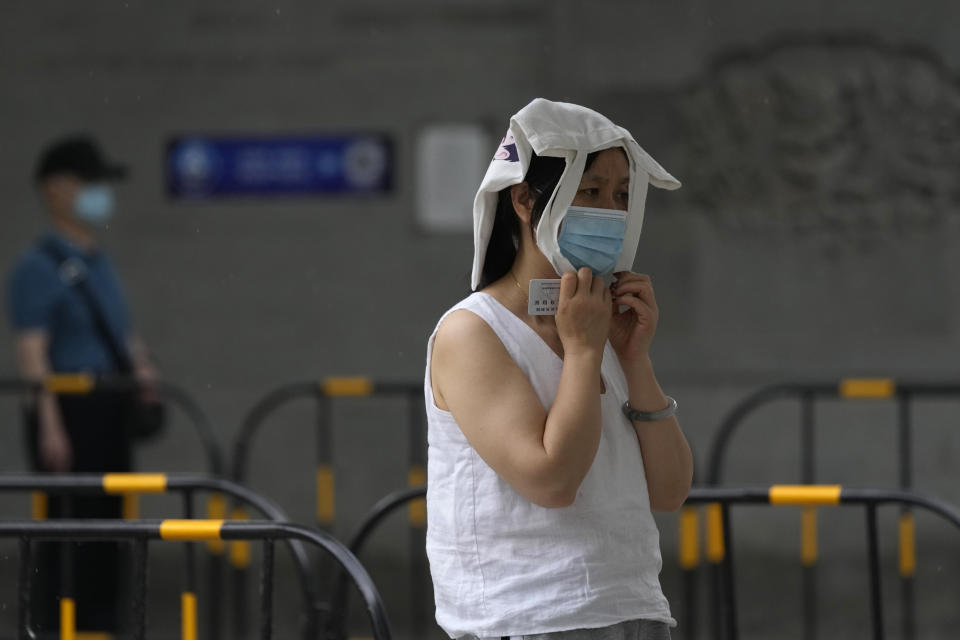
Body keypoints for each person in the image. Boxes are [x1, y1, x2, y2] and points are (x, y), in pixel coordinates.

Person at [425, 99, 693, 640]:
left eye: (621, 195)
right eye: (589, 191)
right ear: (524, 199)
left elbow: (669, 490)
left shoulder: (598, 324)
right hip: (527, 618)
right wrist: (585, 352)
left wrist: (634, 358)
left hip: (635, 610)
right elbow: (552, 480)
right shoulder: (472, 332)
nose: (610, 212)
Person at [5, 134, 159, 636]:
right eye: (88, 183)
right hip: (69, 413)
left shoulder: (99, 259)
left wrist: (141, 370)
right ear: (55, 189)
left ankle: (102, 625)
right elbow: (32, 354)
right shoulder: (38, 267)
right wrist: (49, 426)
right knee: (66, 535)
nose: (99, 194)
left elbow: (122, 330)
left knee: (108, 532)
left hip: (109, 407)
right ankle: (57, 628)